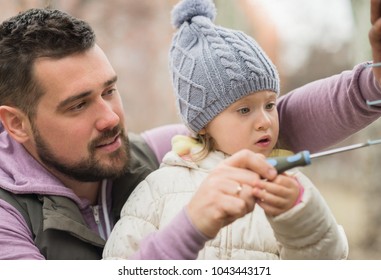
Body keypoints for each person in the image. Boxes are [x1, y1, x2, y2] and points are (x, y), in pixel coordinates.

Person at [0, 0, 381, 260]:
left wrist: (376, 85)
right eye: (79, 104)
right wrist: (190, 227)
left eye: (110, 91)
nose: (111, 118)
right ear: (16, 122)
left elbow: (274, 121)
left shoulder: (165, 153)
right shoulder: (7, 218)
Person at [102, 0, 349, 260]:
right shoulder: (159, 190)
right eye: (244, 110)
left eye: (270, 104)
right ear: (204, 124)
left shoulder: (290, 186)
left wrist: (299, 216)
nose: (265, 121)